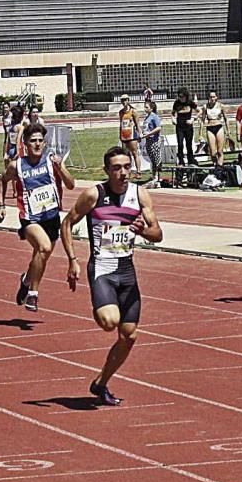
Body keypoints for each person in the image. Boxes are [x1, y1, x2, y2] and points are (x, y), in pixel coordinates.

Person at [61, 146, 162, 406]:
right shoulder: (95, 195)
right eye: (117, 168)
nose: (123, 173)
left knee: (129, 335)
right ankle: (100, 303)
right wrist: (72, 260)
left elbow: (157, 235)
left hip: (127, 271)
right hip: (103, 269)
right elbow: (67, 223)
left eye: (127, 167)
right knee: (109, 322)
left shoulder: (140, 195)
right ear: (107, 171)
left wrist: (141, 231)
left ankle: (100, 383)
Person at [0, 123, 75, 311]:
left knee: (42, 256)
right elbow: (2, 181)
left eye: (40, 140)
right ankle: (33, 294)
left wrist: (61, 168)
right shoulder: (17, 166)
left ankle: (26, 280)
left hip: (51, 216)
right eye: (33, 141)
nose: (37, 144)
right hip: (30, 218)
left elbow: (71, 185)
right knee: (44, 247)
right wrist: (1, 206)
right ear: (25, 143)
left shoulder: (52, 161)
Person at [201, 91, 228, 167]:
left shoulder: (221, 106)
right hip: (210, 127)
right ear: (208, 98)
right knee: (212, 152)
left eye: (213, 97)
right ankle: (215, 164)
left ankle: (220, 166)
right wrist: (200, 133)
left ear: (216, 97)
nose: (212, 98)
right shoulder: (205, 107)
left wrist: (228, 130)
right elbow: (202, 120)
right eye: (210, 97)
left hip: (219, 126)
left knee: (220, 151)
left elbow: (226, 118)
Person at [172, 88, 197, 167]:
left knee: (188, 144)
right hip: (179, 126)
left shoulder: (190, 103)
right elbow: (173, 113)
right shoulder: (176, 103)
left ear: (186, 96)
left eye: (182, 96)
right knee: (180, 144)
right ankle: (181, 161)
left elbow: (199, 111)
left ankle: (190, 161)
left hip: (188, 126)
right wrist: (173, 119)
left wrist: (193, 119)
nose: (181, 98)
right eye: (179, 96)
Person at [118, 94, 142, 176]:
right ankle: (129, 170)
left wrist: (140, 134)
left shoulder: (133, 111)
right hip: (124, 135)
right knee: (126, 154)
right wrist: (120, 135)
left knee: (135, 153)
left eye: (125, 100)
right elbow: (121, 124)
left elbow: (137, 124)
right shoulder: (121, 112)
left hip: (132, 135)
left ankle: (138, 171)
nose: (124, 102)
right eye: (122, 100)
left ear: (128, 100)